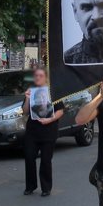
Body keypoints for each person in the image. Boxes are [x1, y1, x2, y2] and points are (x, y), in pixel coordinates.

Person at [23, 68, 64, 197]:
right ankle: (30, 186)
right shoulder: (31, 91)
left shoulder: (53, 91)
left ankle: (46, 188)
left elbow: (60, 111)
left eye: (41, 75)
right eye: (36, 76)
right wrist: (27, 98)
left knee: (46, 160)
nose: (38, 78)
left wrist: (50, 119)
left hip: (48, 131)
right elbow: (24, 111)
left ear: (46, 77)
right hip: (32, 131)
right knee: (29, 158)